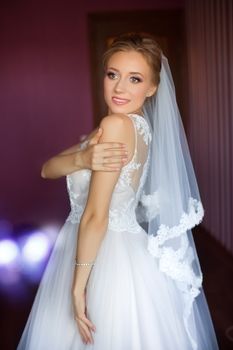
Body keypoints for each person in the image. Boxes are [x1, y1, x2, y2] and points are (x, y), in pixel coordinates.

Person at [17, 33, 219, 350]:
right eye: (113, 74)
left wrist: (77, 288)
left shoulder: (116, 126)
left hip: (102, 255)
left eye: (134, 79)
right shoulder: (129, 125)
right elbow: (47, 168)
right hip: (115, 247)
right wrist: (83, 157)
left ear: (152, 88)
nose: (119, 88)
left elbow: (97, 215)